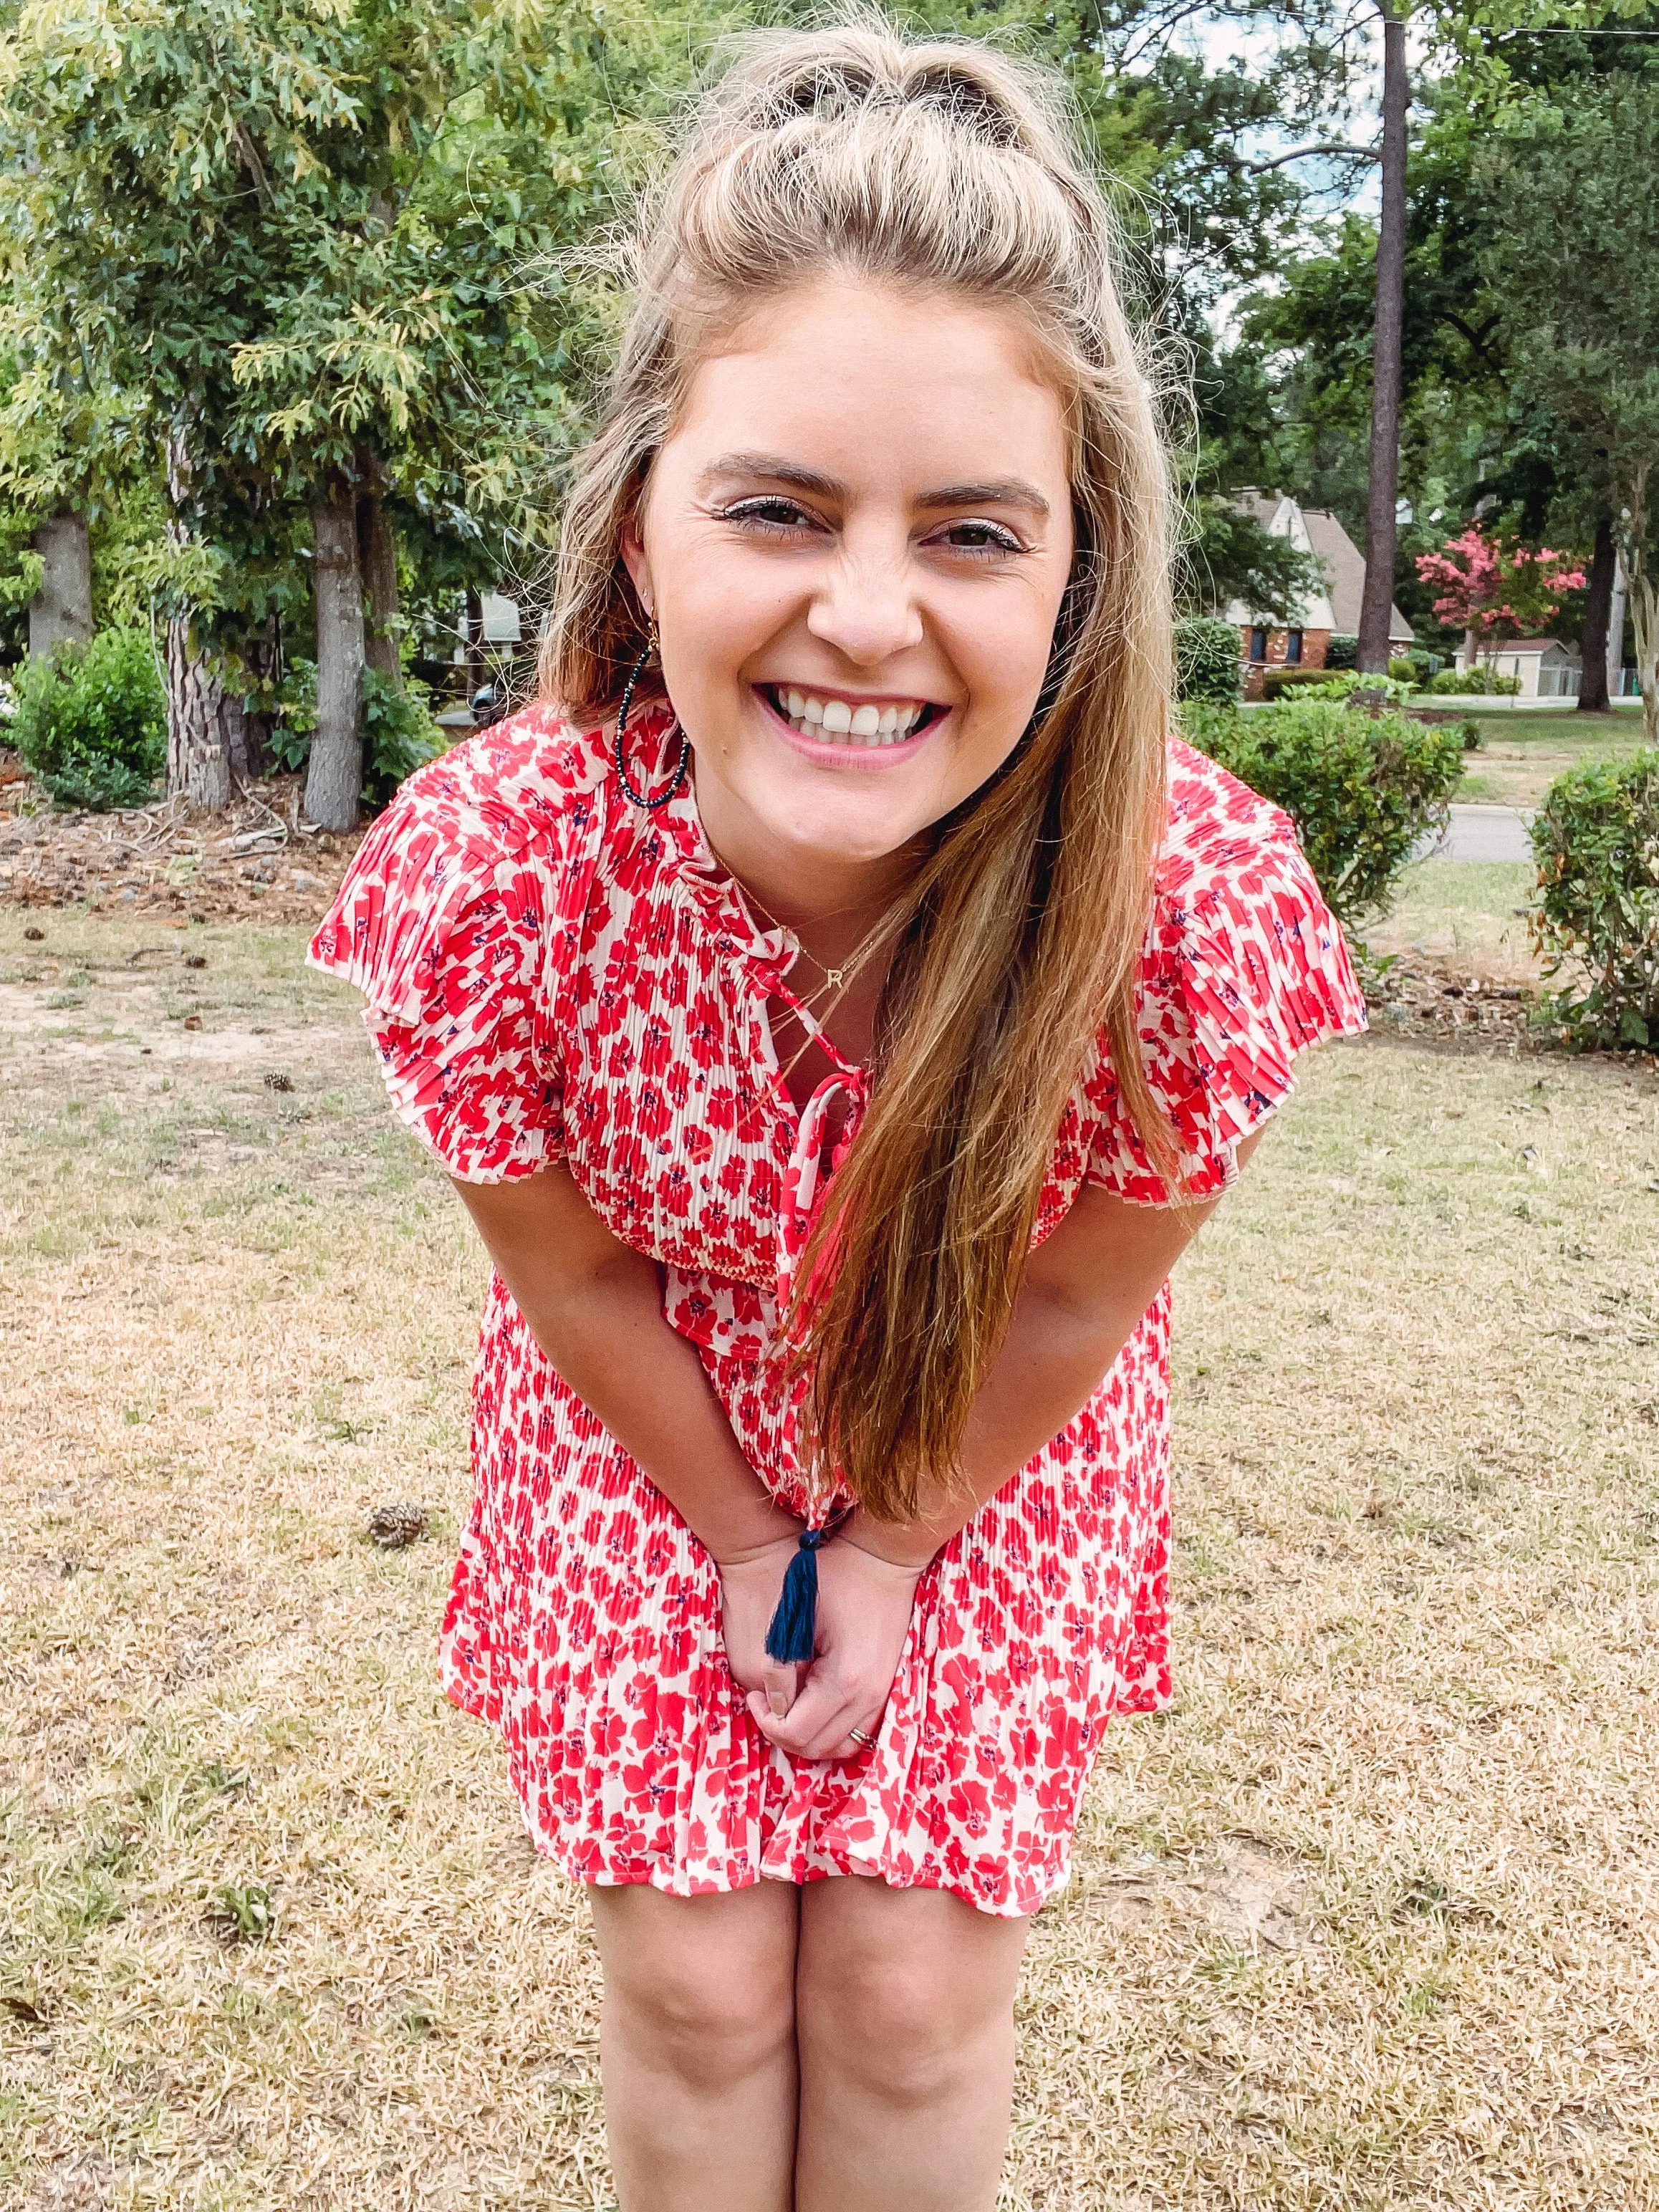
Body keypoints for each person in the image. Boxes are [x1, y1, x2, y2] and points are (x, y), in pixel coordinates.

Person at [309, 23, 1367, 2210]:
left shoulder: (1182, 903)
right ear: (634, 533)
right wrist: (735, 1539)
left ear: (1078, 570)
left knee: (901, 1991)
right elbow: (573, 1266)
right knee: (698, 1991)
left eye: (971, 532)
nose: (864, 616)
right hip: (640, 1428)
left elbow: (1079, 1298)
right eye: (775, 508)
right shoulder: (500, 866)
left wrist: (880, 1546)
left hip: (985, 1435)